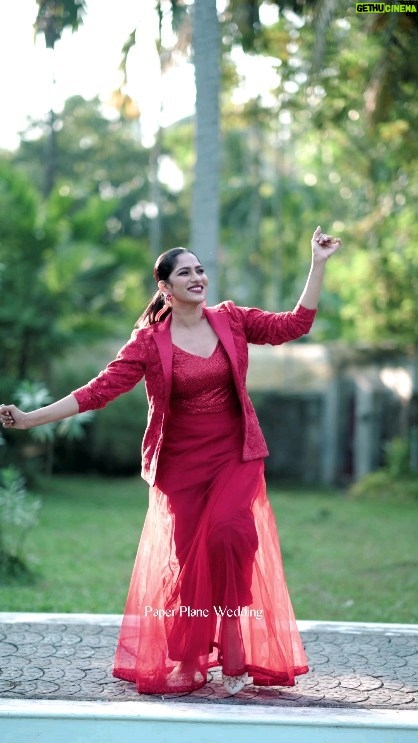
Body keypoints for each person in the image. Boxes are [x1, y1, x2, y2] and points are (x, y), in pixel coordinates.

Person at [1, 225, 342, 696]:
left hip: (234, 453)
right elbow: (97, 391)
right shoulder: (148, 343)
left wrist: (317, 264)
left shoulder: (232, 320)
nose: (198, 278)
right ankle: (192, 656)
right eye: (186, 272)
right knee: (187, 563)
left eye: (201, 270)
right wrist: (28, 419)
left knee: (231, 534)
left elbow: (293, 325)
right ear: (165, 287)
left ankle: (236, 648)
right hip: (180, 465)